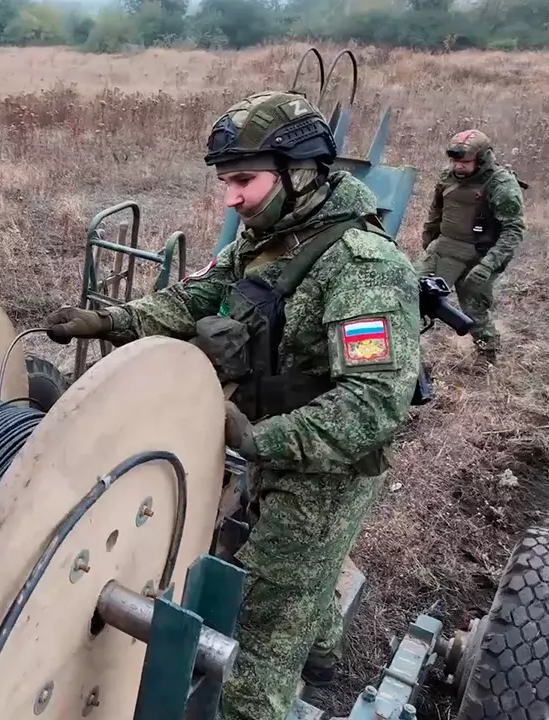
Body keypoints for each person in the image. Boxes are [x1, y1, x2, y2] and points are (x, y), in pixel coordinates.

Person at [44, 90, 422, 720]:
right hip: (271, 441)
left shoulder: (364, 268)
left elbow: (374, 406)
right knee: (289, 576)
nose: (231, 198)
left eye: (244, 180)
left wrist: (257, 442)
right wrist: (108, 320)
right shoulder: (267, 237)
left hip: (323, 473)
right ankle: (321, 645)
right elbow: (200, 298)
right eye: (226, 182)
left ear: (299, 174)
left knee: (261, 640)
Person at [419, 129, 527, 364]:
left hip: (479, 254)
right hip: (444, 247)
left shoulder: (501, 184)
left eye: (465, 162)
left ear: (482, 158)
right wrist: (428, 243)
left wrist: (488, 265)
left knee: (474, 312)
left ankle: (487, 356)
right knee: (413, 294)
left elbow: (513, 231)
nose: (458, 167)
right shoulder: (447, 177)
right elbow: (436, 211)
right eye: (454, 161)